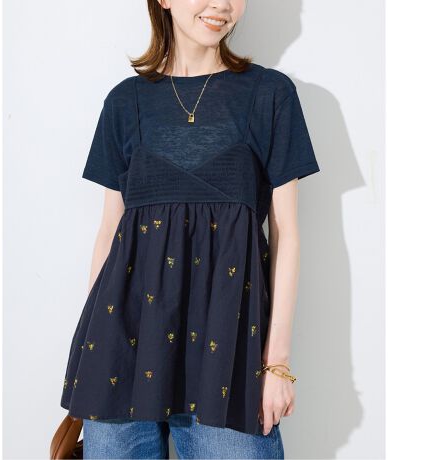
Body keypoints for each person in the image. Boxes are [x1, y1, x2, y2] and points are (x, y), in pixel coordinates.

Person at [59, 0, 320, 458]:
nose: (222, 4)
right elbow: (108, 232)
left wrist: (276, 364)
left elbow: (287, 235)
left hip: (229, 356)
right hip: (122, 350)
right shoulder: (125, 101)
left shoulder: (269, 94)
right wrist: (94, 355)